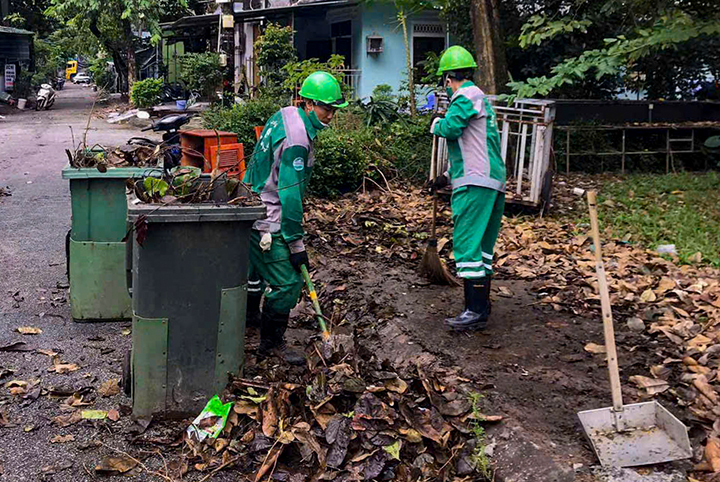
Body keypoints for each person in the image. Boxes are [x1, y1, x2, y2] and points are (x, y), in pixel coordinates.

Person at [244, 71, 347, 364]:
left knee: (255, 270)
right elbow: (290, 197)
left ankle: (250, 316)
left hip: (250, 197)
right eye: (327, 109)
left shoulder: (286, 114)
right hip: (268, 215)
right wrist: (295, 244)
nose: (331, 116)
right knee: (288, 283)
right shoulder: (298, 142)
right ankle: (270, 345)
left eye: (334, 109)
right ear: (308, 104)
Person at [430, 46, 506, 331]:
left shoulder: (465, 96)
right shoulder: (479, 100)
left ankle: (474, 312)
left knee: (467, 245)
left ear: (449, 78)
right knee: (482, 248)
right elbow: (474, 147)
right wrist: (446, 176)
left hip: (476, 184)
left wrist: (436, 123)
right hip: (488, 181)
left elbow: (450, 129)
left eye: (445, 81)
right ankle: (480, 306)